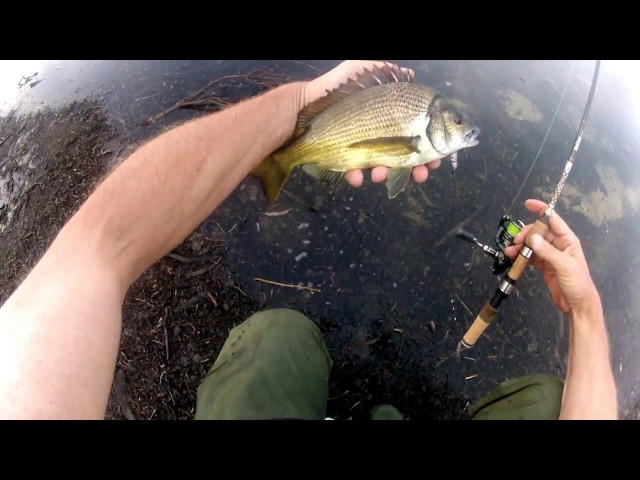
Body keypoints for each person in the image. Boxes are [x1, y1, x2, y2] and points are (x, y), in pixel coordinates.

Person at [0, 61, 617, 420]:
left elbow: (94, 249)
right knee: (547, 403)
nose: (464, 129)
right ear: (435, 123)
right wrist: (586, 314)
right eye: (457, 124)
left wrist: (301, 100)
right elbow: (97, 249)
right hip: (339, 139)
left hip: (329, 135)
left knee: (278, 338)